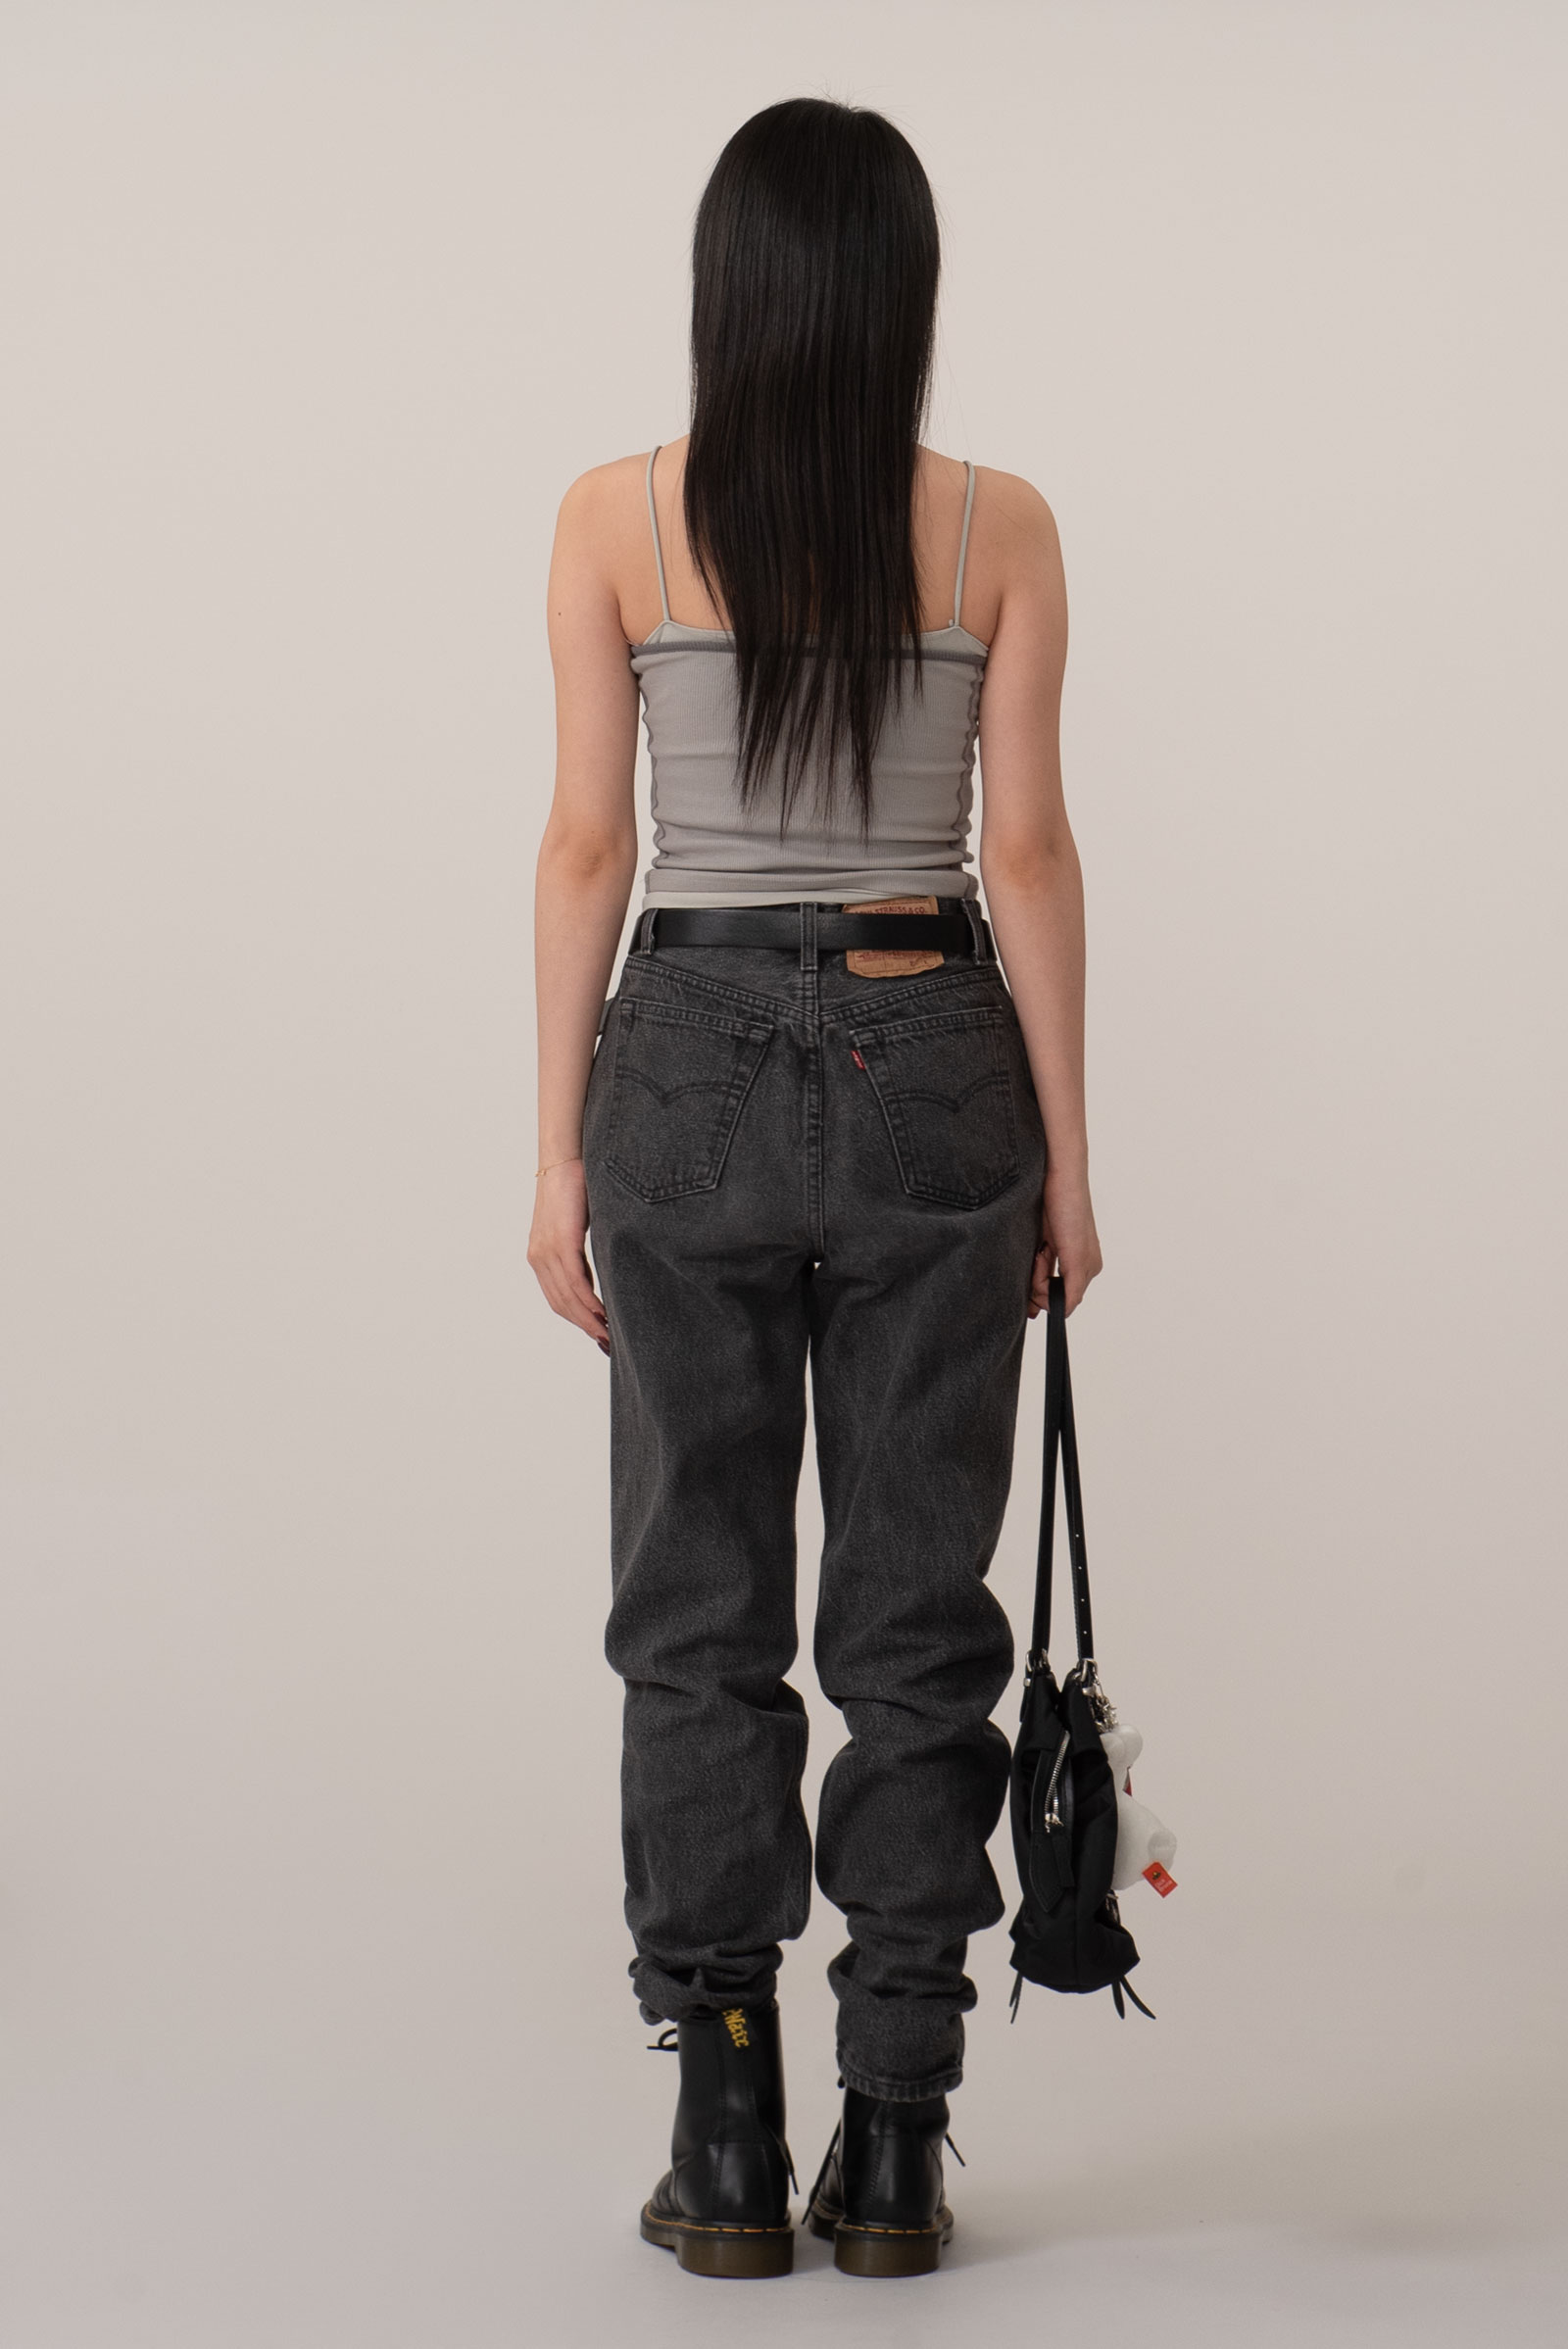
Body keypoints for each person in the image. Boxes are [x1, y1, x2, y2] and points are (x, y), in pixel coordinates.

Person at [529, 95, 1102, 2280]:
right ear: (903, 293)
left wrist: (556, 1150)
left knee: (694, 1603)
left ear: (729, 288)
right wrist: (1064, 1150)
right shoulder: (995, 528)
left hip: (680, 1047)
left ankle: (722, 2117)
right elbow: (1021, 849)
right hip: (932, 1041)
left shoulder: (612, 516)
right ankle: (892, 2135)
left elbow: (591, 843)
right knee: (914, 1612)